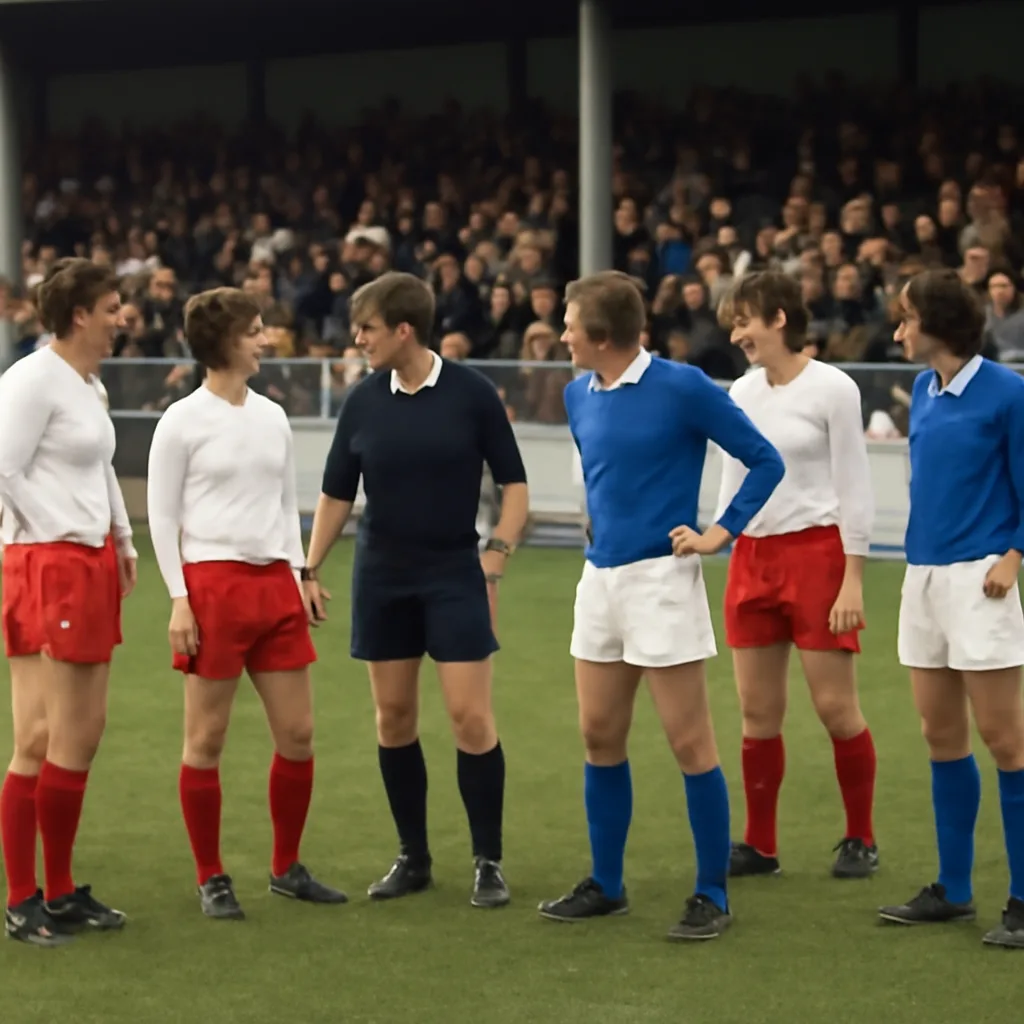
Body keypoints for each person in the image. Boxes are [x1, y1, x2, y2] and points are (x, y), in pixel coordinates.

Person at [538, 270, 785, 940]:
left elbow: (764, 460)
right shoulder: (577, 393)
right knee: (598, 735)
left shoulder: (683, 386)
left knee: (689, 741)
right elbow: (601, 476)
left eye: (568, 323)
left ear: (601, 334)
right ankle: (607, 885)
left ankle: (712, 894)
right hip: (601, 580)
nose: (560, 334)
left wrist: (718, 533)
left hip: (663, 581)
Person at [303, 271, 529, 908]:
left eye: (367, 328)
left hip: (455, 571)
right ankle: (415, 858)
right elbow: (336, 493)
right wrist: (310, 566)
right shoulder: (363, 399)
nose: (357, 340)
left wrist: (496, 557)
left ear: (404, 329)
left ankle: (488, 860)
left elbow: (516, 486)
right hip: (383, 574)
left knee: (469, 716)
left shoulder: (472, 393)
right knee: (394, 718)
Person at [146, 287, 346, 920]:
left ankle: (286, 867)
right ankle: (211, 876)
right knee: (206, 739)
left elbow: (286, 504)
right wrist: (180, 599)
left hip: (273, 587)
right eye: (256, 330)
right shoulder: (180, 420)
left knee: (299, 733)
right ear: (224, 340)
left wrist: (301, 573)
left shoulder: (272, 415)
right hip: (212, 588)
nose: (267, 339)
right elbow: (162, 516)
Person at [716, 271, 879, 880]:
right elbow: (733, 478)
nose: (737, 335)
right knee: (757, 712)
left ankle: (860, 836)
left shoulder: (833, 388)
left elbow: (854, 482)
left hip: (818, 556)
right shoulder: (740, 393)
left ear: (779, 317)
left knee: (836, 707)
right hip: (751, 558)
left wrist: (853, 577)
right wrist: (719, 535)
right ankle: (760, 844)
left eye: (744, 321)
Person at [878, 268, 1024, 948]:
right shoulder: (926, 393)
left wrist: (1013, 557)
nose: (897, 329)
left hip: (983, 580)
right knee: (942, 738)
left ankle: (1022, 899)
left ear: (935, 320)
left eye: (905, 317)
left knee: (1007, 742)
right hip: (924, 578)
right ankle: (955, 890)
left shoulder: (1008, 393)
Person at [0, 258, 137, 947]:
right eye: (113, 307)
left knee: (81, 734)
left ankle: (58, 890)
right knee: (41, 737)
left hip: (88, 562)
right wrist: (47, 528)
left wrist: (123, 539)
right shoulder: (31, 379)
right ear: (80, 313)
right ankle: (23, 897)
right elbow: (2, 468)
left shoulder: (88, 384)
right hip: (48, 563)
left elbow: (102, 466)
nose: (123, 318)